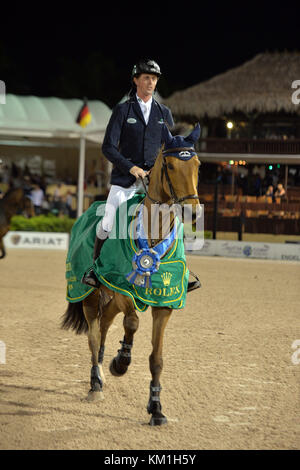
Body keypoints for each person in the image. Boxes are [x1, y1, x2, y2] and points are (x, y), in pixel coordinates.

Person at [82, 59, 174, 287]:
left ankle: (181, 270)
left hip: (153, 183)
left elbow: (168, 148)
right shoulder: (123, 110)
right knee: (108, 220)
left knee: (174, 220)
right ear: (136, 81)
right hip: (125, 180)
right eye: (146, 78)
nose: (151, 82)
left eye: (154, 78)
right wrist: (131, 167)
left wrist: (157, 169)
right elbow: (108, 147)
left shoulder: (164, 113)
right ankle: (94, 269)